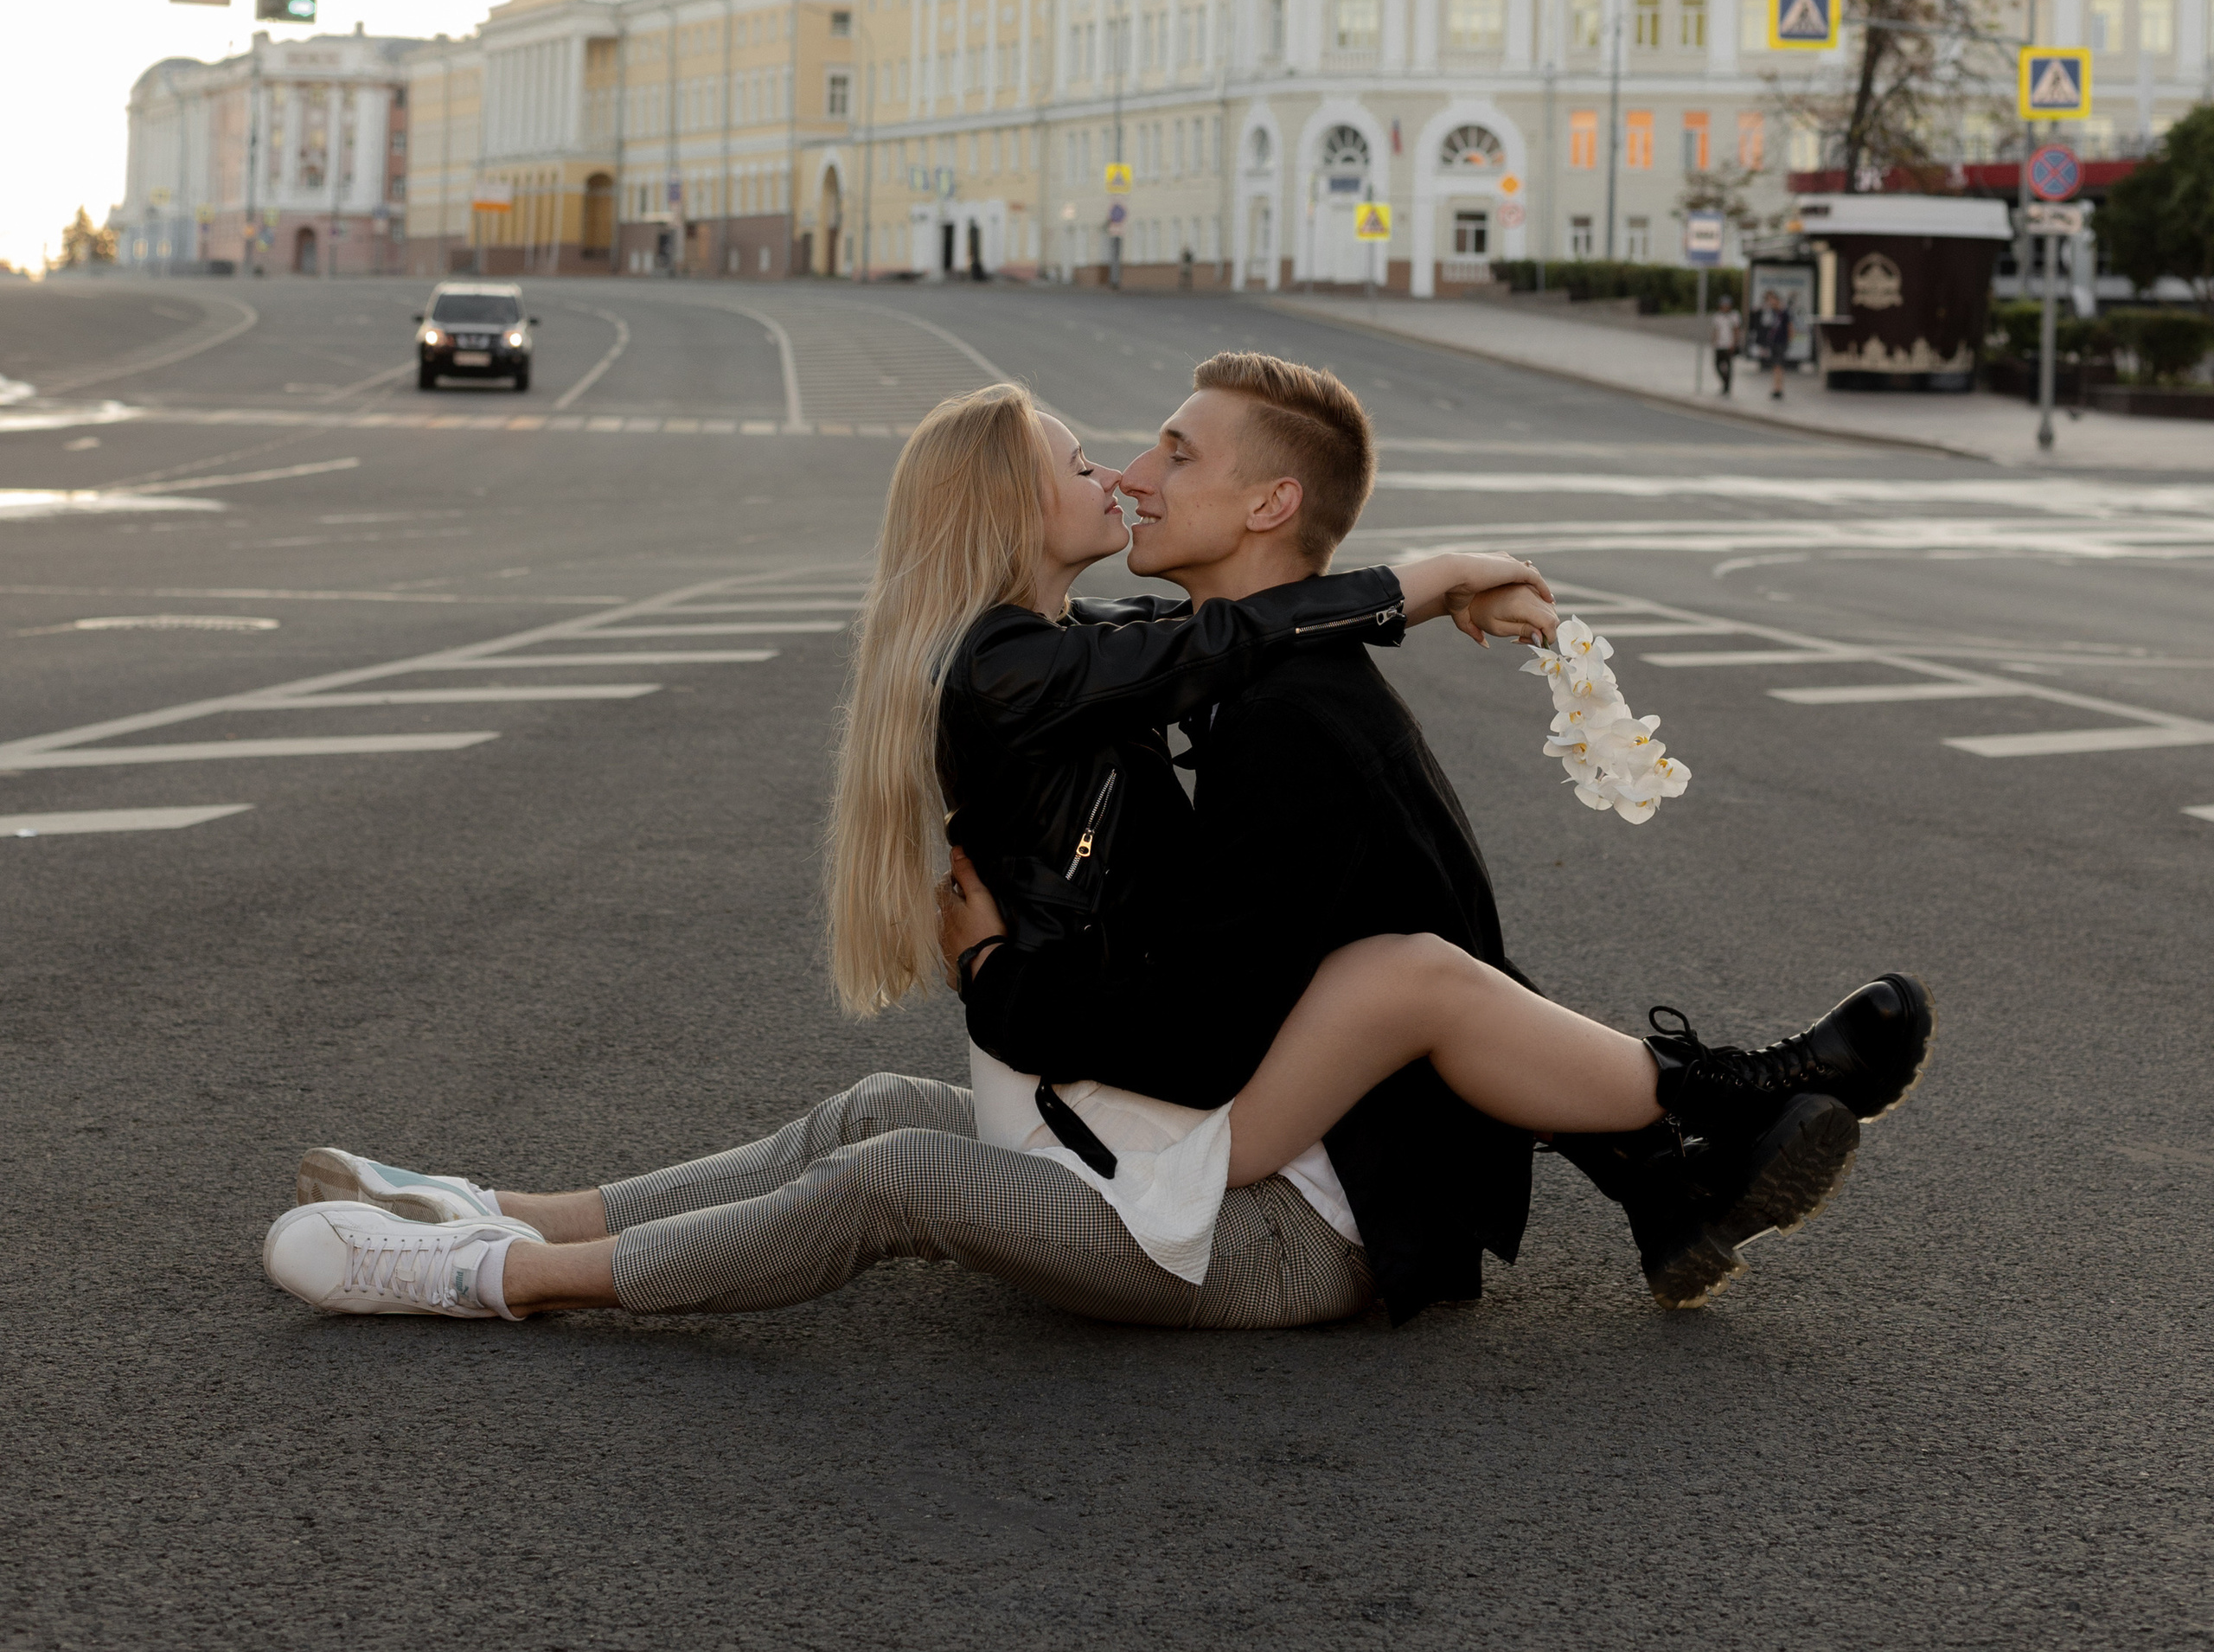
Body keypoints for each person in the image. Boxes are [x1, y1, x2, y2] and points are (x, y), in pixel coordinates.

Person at [263, 364, 1929, 1332]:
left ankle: (493, 1248)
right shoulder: (1047, 667)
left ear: (1262, 506)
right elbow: (1215, 685)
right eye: (1093, 462)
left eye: (1161, 455)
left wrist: (1004, 983)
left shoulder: (1179, 682)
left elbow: (1292, 898)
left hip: (1238, 1190)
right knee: (891, 1120)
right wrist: (1427, 579)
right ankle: (491, 1227)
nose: (1126, 475)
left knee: (899, 1145)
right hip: (1182, 1147)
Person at [1754, 295, 1795, 400]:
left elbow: (1790, 327)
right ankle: (1777, 388)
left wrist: (1789, 341)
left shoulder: (1784, 313)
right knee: (1776, 366)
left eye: (1773, 302)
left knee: (1778, 366)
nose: (1772, 304)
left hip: (1781, 342)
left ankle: (1778, 388)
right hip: (1774, 343)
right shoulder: (1772, 313)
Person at [1711, 296, 1741, 396]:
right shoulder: (1717, 316)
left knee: (1728, 366)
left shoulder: (1734, 316)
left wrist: (1734, 343)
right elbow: (1716, 330)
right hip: (1719, 345)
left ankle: (1727, 386)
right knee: (1717, 365)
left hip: (1729, 345)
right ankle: (1724, 381)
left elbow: (1736, 330)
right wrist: (1714, 342)